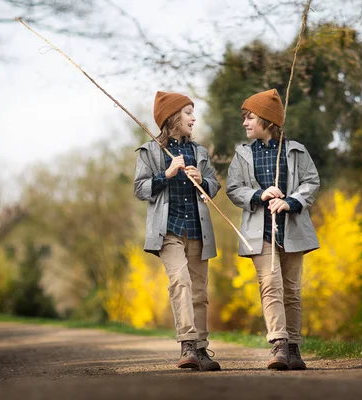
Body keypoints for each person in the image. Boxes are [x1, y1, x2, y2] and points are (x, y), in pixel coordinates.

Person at [226, 88, 320, 370]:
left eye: (250, 118)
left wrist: (290, 202)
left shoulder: (295, 151)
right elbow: (233, 189)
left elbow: (311, 183)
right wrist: (259, 195)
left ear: (267, 120)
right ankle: (278, 343)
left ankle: (293, 348)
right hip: (259, 231)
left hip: (292, 230)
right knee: (270, 285)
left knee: (291, 290)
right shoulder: (242, 155)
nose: (245, 123)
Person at [134, 91, 221, 371]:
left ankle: (201, 349)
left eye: (192, 113)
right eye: (187, 113)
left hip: (197, 229)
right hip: (168, 231)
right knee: (180, 282)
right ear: (172, 118)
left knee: (200, 292)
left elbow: (215, 186)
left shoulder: (200, 152)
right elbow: (140, 189)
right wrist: (167, 174)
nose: (193, 118)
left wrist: (203, 181)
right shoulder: (150, 151)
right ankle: (187, 344)